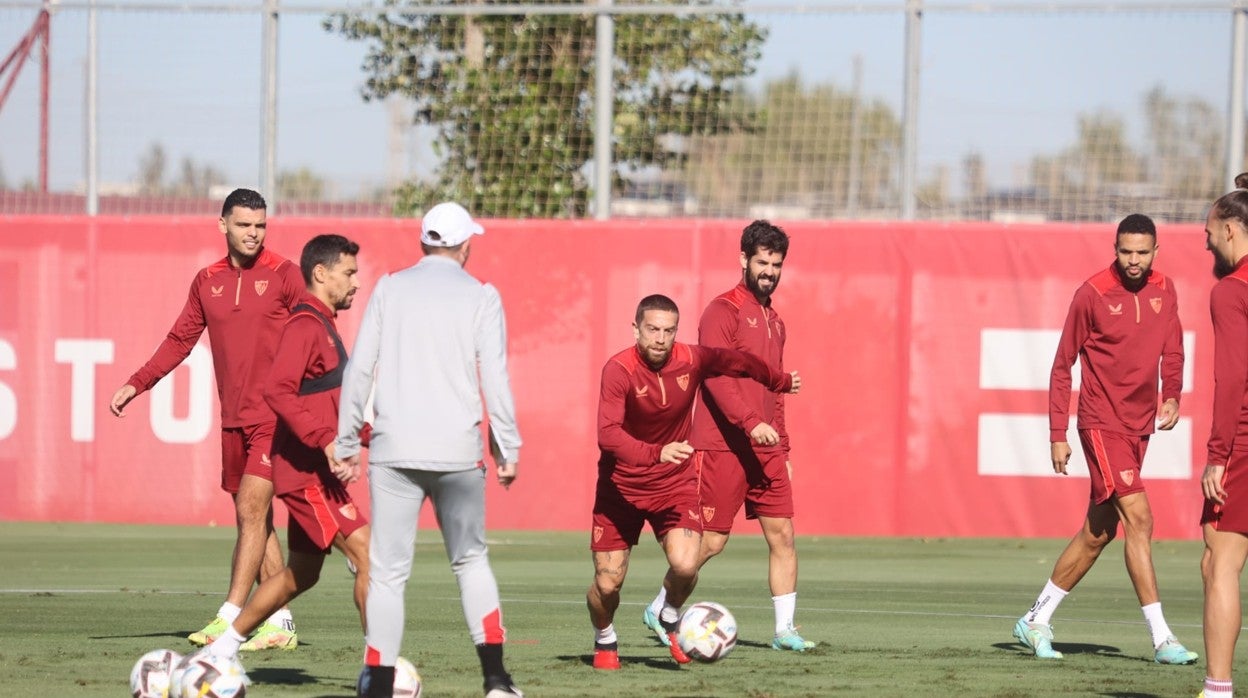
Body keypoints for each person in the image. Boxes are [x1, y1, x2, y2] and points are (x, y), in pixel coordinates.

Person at [336, 202, 523, 698]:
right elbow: (496, 379)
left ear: (424, 243)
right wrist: (508, 447)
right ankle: (497, 680)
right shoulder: (482, 294)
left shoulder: (390, 288)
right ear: (464, 245)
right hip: (458, 453)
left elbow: (359, 370)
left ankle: (377, 684)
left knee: (388, 575)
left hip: (393, 453)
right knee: (470, 561)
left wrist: (345, 439)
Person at [108, 188, 304, 650]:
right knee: (258, 521)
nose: (253, 234)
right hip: (234, 419)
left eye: (260, 226)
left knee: (250, 510)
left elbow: (317, 329)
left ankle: (230, 616)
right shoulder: (206, 281)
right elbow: (179, 340)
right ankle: (281, 624)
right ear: (223, 225)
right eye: (244, 225)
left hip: (276, 419)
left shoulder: (284, 275)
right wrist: (137, 383)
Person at [1012, 213, 1196, 665]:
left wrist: (1171, 394)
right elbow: (1062, 364)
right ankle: (1161, 638)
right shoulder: (1091, 293)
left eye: (1142, 252)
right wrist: (1058, 433)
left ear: (1155, 252)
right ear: (1115, 249)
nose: (1133, 261)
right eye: (1125, 251)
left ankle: (1035, 619)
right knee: (1141, 520)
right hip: (1099, 423)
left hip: (1139, 427)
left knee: (1099, 532)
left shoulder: (1165, 290)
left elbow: (1173, 349)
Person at [588, 294, 800, 671]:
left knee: (687, 565)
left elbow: (739, 362)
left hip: (673, 484)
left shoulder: (691, 358)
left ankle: (668, 614)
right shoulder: (618, 369)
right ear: (635, 329)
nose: (660, 338)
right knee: (608, 583)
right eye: (652, 329)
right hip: (621, 488)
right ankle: (605, 637)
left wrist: (778, 380)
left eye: (669, 331)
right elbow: (608, 435)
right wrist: (656, 453)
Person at [646, 220, 814, 652]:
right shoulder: (722, 311)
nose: (769, 271)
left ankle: (784, 632)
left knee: (784, 535)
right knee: (713, 541)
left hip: (766, 449)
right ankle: (662, 605)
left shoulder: (776, 322)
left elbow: (776, 392)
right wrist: (748, 422)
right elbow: (717, 378)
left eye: (776, 264)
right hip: (722, 445)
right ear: (743, 260)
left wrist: (783, 444)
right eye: (762, 261)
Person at [206, 233, 370, 659]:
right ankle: (380, 666)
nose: (356, 281)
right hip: (305, 473)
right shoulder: (304, 325)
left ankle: (222, 648)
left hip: (312, 470)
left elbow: (325, 401)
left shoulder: (324, 324)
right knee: (372, 557)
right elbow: (277, 392)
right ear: (321, 273)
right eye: (349, 272)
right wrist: (327, 441)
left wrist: (368, 435)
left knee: (301, 574)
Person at [1198, 174, 1248, 698]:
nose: (1206, 241)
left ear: (1232, 230)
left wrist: (1219, 456)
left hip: (1244, 442)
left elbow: (1232, 377)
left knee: (1220, 561)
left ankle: (1217, 689)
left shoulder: (1231, 290)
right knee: (1215, 562)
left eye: (1209, 232)